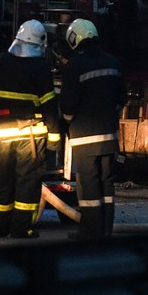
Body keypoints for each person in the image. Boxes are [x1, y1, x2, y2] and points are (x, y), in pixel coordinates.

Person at [0, 19, 61, 239]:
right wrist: (55, 140)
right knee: (27, 183)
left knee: (2, 182)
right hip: (31, 137)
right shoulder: (40, 69)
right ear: (39, 44)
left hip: (1, 134)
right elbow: (49, 107)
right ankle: (20, 229)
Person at [60, 18, 126, 240]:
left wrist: (68, 121)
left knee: (88, 185)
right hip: (109, 136)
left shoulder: (73, 67)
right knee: (107, 185)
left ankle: (90, 231)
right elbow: (121, 99)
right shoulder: (113, 63)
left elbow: (68, 106)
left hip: (84, 138)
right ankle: (106, 230)